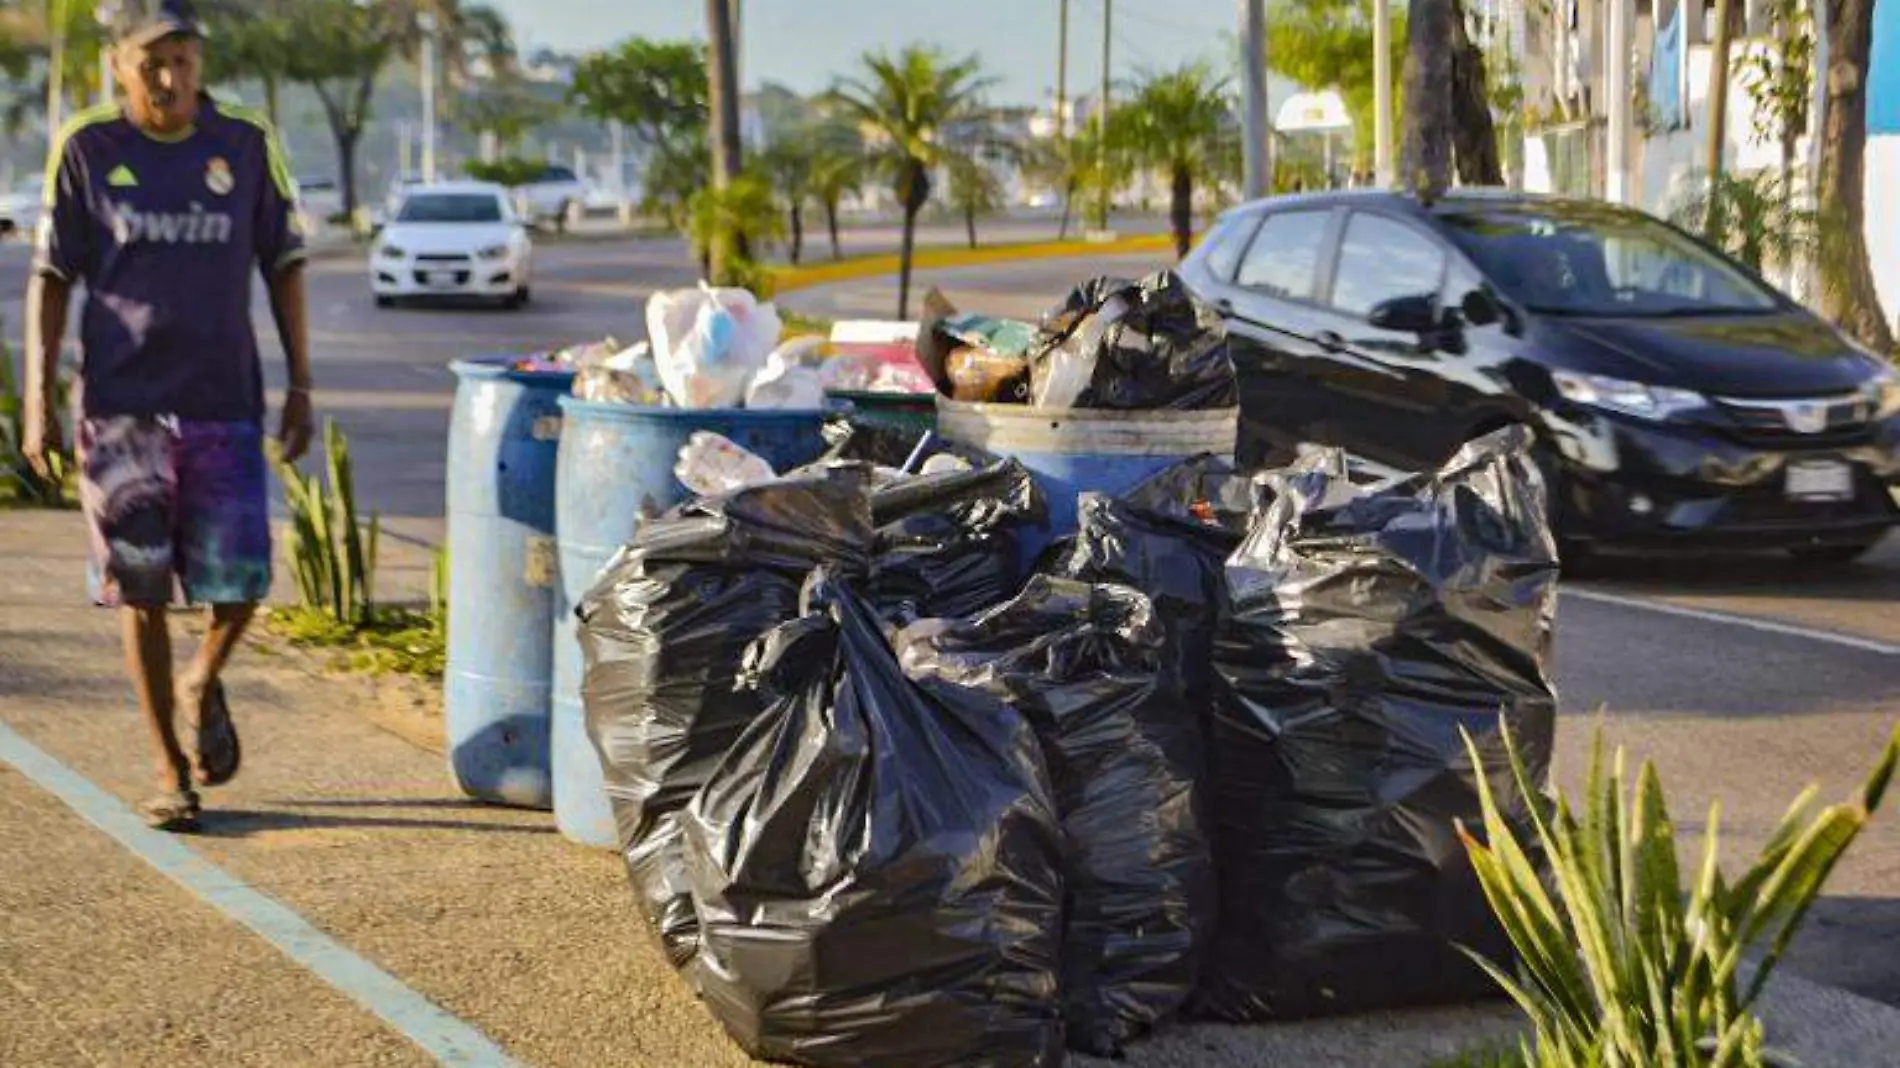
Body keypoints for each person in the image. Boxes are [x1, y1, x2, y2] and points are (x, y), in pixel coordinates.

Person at [21, 0, 313, 831]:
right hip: (120, 407)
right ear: (118, 66)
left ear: (200, 64)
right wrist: (39, 398)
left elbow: (284, 264)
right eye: (149, 60)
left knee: (243, 582)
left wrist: (301, 383)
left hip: (223, 399)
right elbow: (50, 279)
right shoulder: (87, 149)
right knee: (140, 589)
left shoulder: (246, 145)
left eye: (182, 58)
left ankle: (200, 677)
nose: (167, 75)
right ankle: (168, 769)